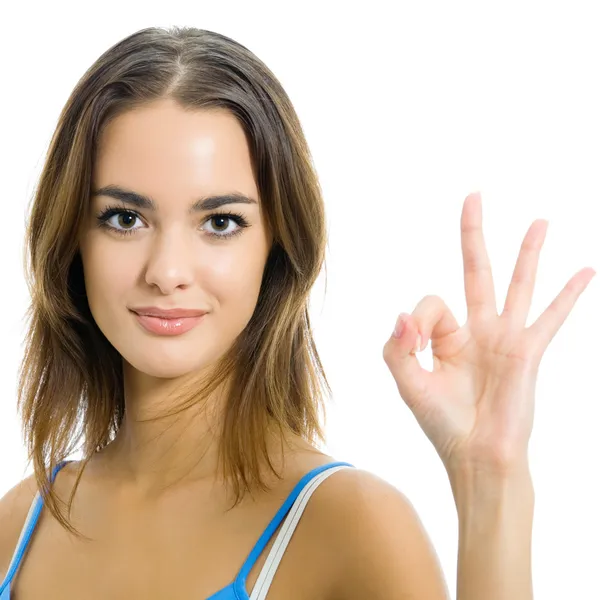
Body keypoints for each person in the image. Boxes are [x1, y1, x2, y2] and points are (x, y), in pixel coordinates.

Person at [0, 26, 594, 600]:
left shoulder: (350, 525)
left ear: (276, 246)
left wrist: (492, 479)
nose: (167, 270)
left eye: (220, 223)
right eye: (125, 218)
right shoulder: (19, 525)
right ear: (73, 238)